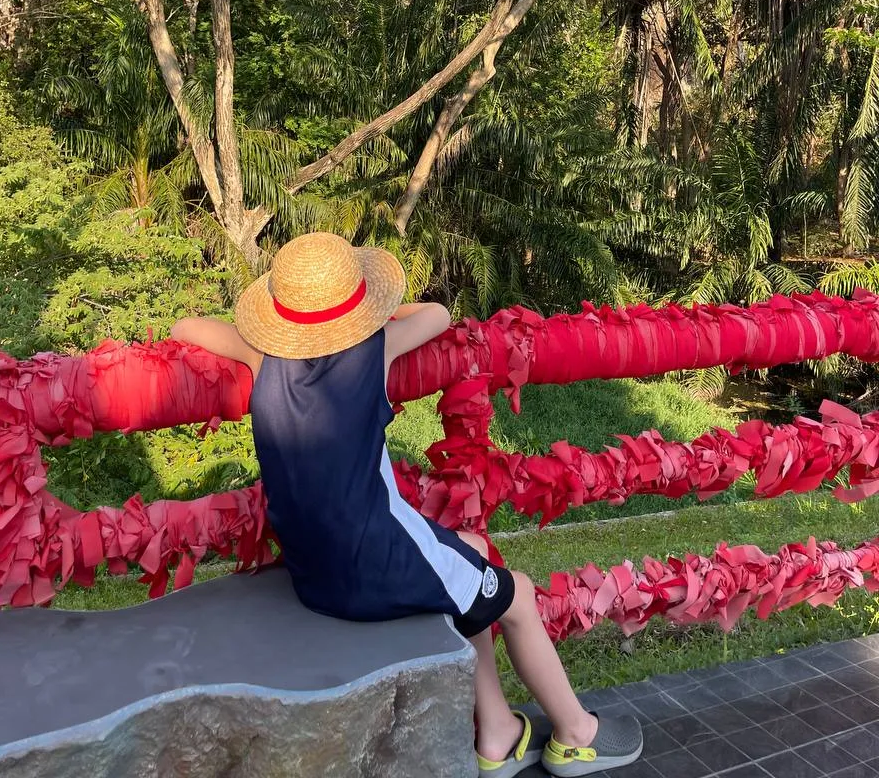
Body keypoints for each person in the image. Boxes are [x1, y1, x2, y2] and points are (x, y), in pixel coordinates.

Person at [170, 231, 643, 776]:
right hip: (375, 562)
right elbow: (438, 314)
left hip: (313, 574)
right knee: (516, 598)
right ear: (358, 312)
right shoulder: (372, 349)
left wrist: (260, 334)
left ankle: (497, 731)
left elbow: (188, 328)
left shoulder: (261, 355)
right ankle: (577, 734)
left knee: (467, 554)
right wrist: (377, 315)